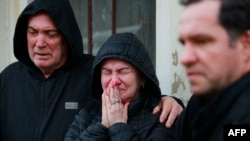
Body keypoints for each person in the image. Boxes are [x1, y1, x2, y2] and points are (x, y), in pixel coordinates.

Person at [0, 0, 183, 140]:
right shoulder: (8, 79)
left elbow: (138, 94)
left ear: (66, 37)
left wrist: (170, 101)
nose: (39, 43)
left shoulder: (92, 72)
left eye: (51, 34)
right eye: (32, 32)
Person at [64, 32, 177, 141]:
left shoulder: (163, 117)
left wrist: (119, 126)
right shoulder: (86, 115)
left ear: (142, 78)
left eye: (123, 71)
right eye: (107, 72)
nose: (114, 81)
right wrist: (102, 126)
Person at [176, 0, 250, 140]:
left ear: (245, 44)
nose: (185, 58)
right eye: (184, 43)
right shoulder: (200, 102)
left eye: (202, 41)